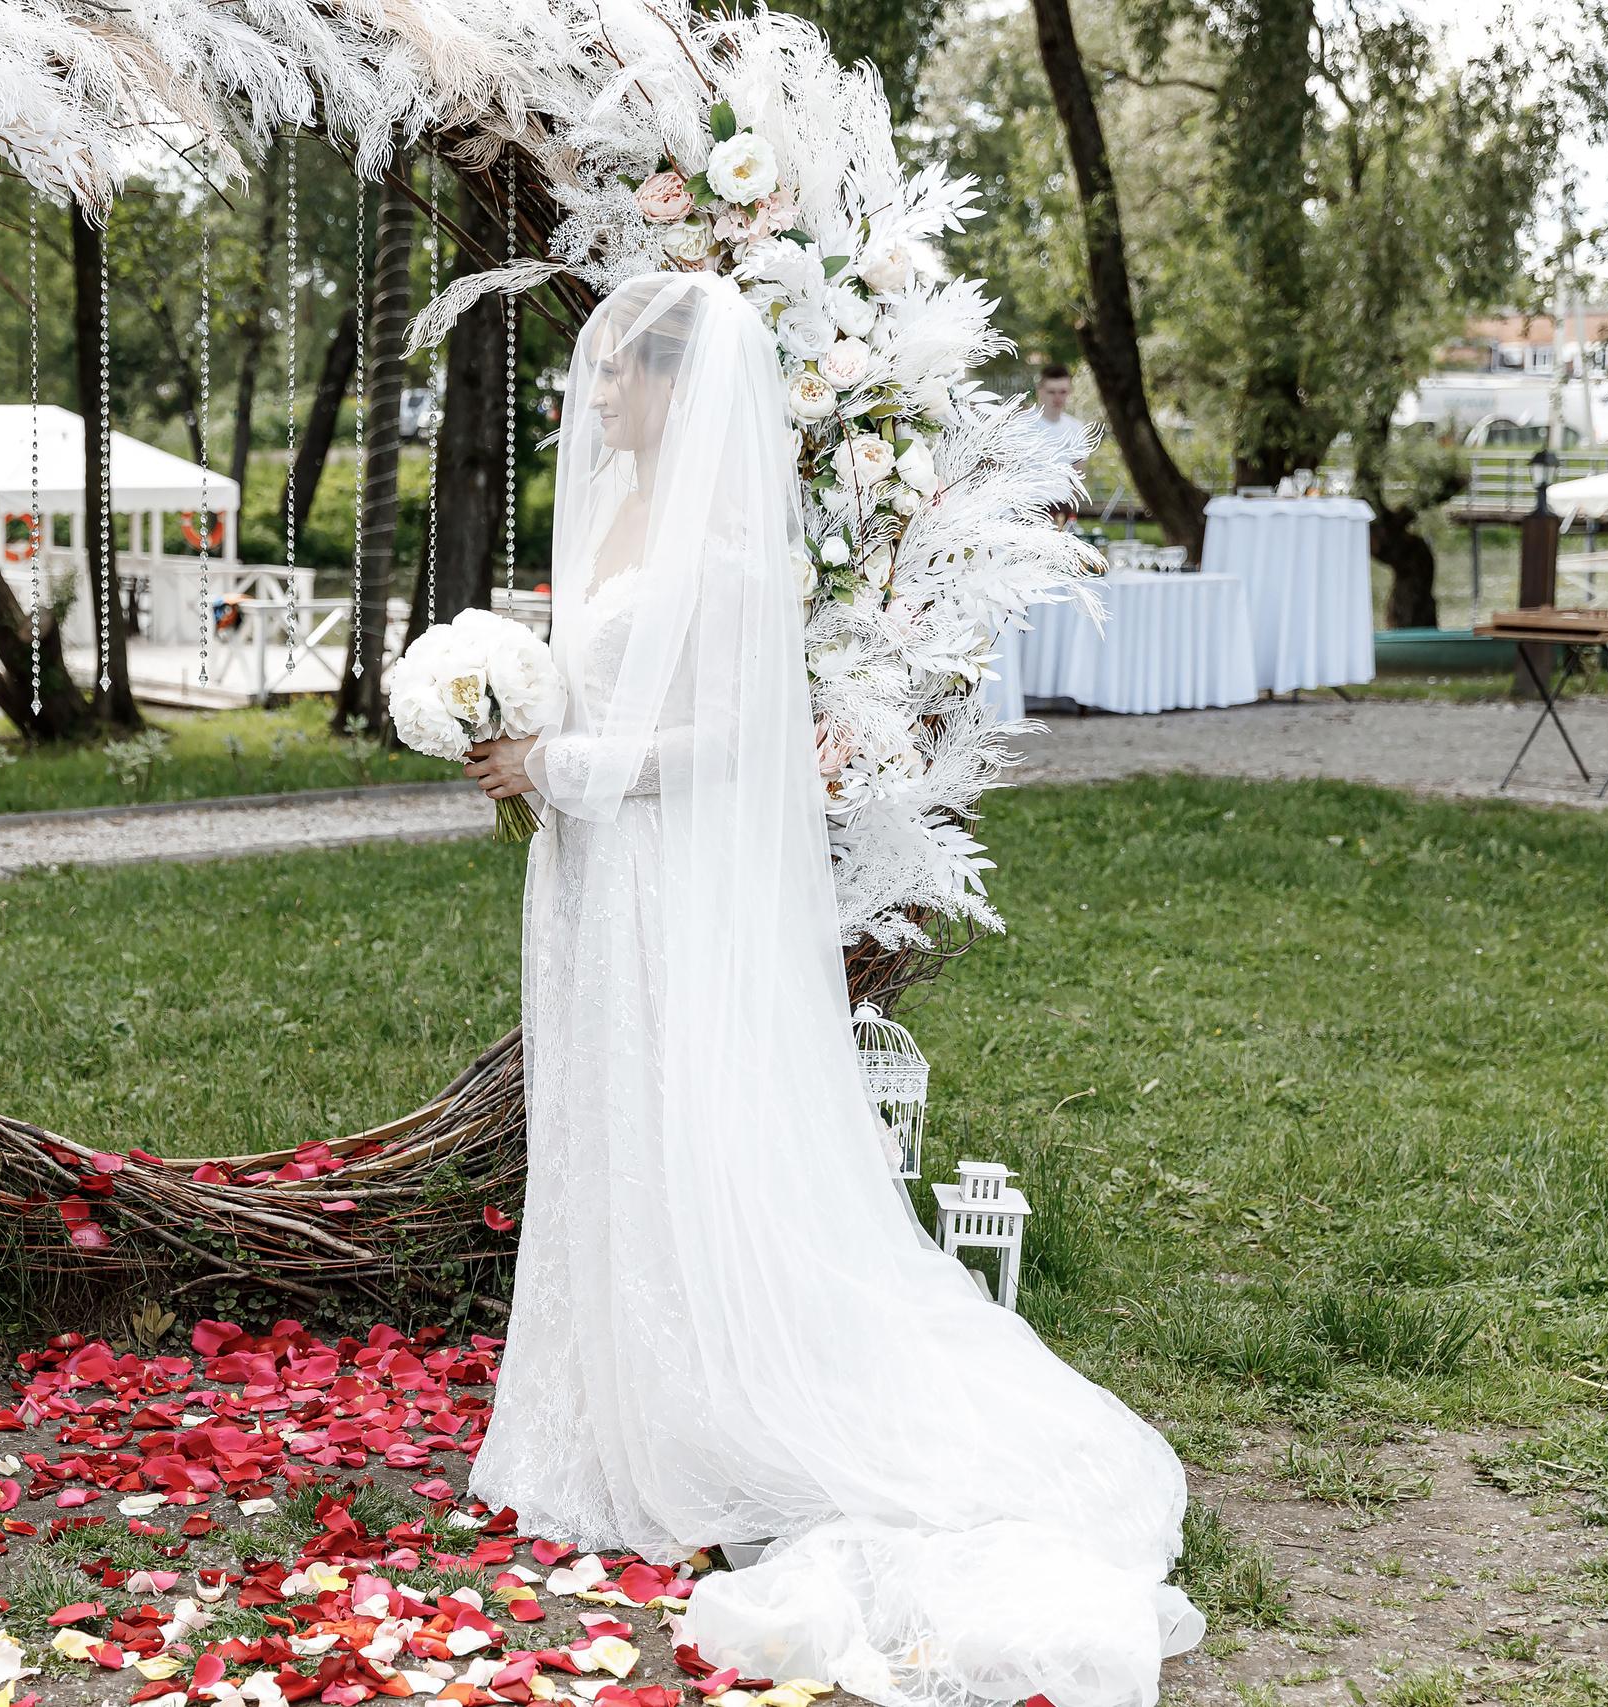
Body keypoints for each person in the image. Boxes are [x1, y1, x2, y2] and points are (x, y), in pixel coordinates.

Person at [457, 274, 1202, 1707]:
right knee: (606, 1111)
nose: (598, 399)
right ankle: (594, 1402)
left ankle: (692, 1406)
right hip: (587, 873)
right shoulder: (614, 511)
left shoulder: (731, 550)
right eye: (599, 375)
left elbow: (737, 740)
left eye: (619, 375)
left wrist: (564, 765)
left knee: (678, 1113)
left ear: (682, 384)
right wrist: (510, 724)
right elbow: (593, 682)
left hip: (666, 869)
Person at [1036, 360, 1090, 526]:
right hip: (1029, 508)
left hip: (1061, 509)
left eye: (1062, 392)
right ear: (1040, 392)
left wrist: (1070, 509)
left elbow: (1078, 474)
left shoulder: (1075, 428)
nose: (1057, 398)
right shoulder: (1021, 425)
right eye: (1051, 392)